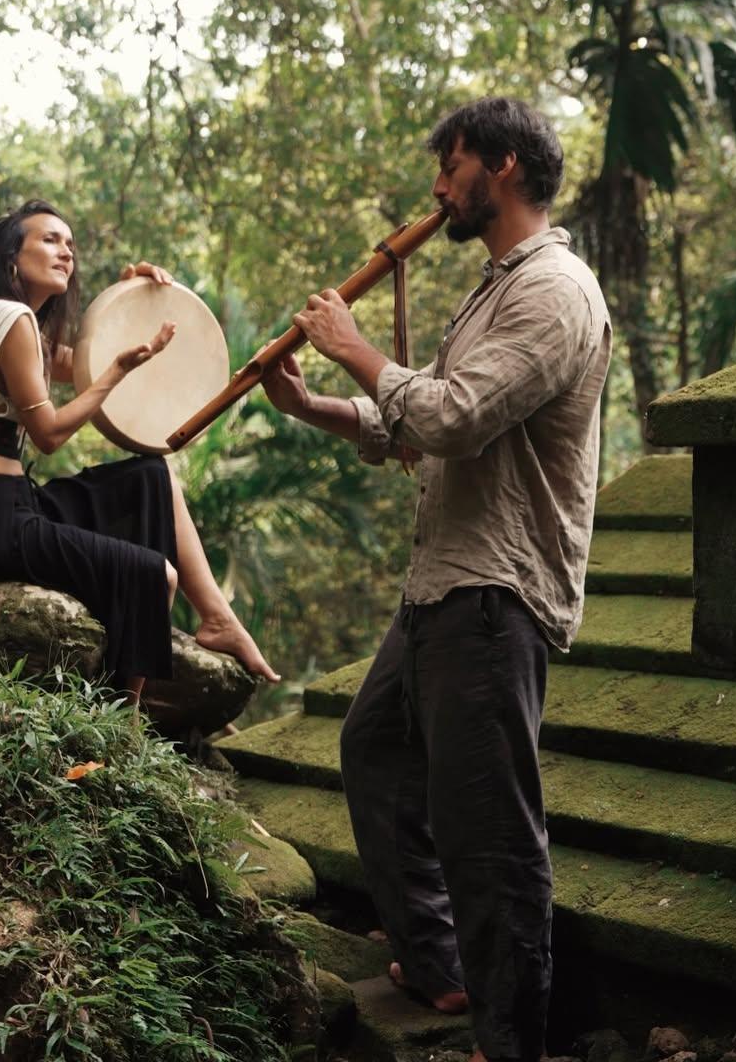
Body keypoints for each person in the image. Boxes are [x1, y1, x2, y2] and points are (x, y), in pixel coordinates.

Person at [262, 97, 611, 1062]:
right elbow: (410, 426)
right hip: (442, 587)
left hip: (496, 597)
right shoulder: (495, 288)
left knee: (490, 839)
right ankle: (440, 961)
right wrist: (311, 402)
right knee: (374, 750)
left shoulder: (556, 290)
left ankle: (511, 1041)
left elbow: (454, 416)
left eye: (450, 165)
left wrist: (354, 346)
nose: (436, 188)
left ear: (500, 167)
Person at [0, 198, 279, 700]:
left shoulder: (16, 328)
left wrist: (132, 296)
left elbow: (90, 361)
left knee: (150, 477)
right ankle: (120, 723)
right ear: (10, 257)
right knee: (153, 576)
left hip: (6, 504)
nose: (66, 251)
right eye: (49, 240)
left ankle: (218, 617)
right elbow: (48, 433)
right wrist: (114, 374)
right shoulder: (10, 318)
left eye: (70, 244)